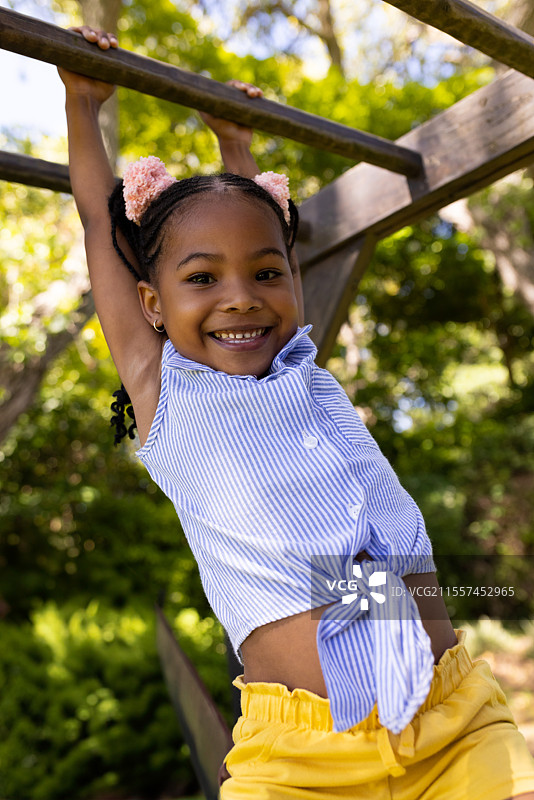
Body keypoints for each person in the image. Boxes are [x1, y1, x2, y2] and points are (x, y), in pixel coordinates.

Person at [58, 27, 534, 800]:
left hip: (451, 719)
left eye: (265, 274)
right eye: (202, 278)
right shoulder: (165, 394)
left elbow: (265, 233)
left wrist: (235, 144)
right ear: (151, 303)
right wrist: (85, 106)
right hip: (303, 756)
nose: (240, 295)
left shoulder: (303, 370)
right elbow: (94, 220)